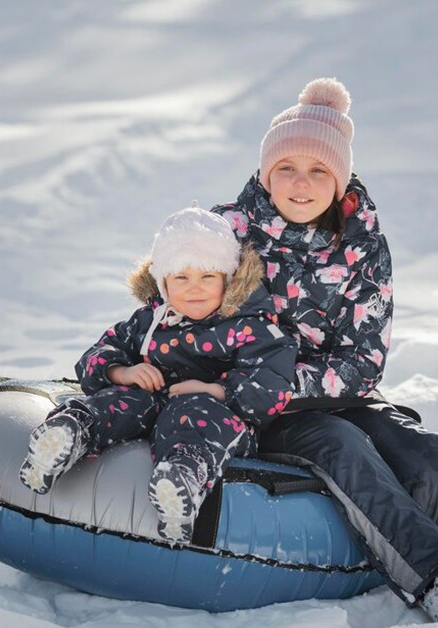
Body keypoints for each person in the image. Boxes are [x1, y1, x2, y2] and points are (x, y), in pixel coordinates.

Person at [211, 77, 438, 621]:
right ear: (266, 174)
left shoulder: (362, 245)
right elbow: (180, 310)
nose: (301, 184)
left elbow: (364, 358)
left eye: (318, 171)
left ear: (339, 180)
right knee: (345, 449)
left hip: (343, 393)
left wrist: (311, 382)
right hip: (264, 403)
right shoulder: (227, 235)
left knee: (430, 460)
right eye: (286, 168)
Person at [19, 206, 297, 544]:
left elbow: (272, 386)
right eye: (181, 277)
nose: (194, 288)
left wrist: (216, 390)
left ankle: (182, 480)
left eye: (207, 276)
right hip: (151, 404)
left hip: (216, 416)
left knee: (195, 412)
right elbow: (96, 355)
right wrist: (123, 371)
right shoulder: (150, 321)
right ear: (163, 282)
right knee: (125, 399)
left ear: (227, 277)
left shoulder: (251, 326)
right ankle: (69, 434)